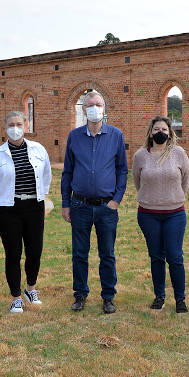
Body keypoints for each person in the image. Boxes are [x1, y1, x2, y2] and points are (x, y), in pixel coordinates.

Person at [61, 91, 128, 314]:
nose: (95, 108)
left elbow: (122, 170)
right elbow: (68, 171)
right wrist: (65, 203)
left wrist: (116, 200)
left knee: (107, 254)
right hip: (79, 205)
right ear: (83, 109)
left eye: (98, 104)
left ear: (104, 108)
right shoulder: (74, 136)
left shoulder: (116, 135)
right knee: (79, 253)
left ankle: (108, 296)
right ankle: (80, 295)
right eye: (90, 105)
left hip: (106, 206)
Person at [0, 111, 52, 314]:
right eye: (11, 124)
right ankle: (16, 297)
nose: (15, 128)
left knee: (35, 251)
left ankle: (30, 289)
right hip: (8, 210)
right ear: (5, 128)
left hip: (34, 207)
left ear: (26, 126)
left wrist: (40, 194)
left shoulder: (38, 149)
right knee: (13, 253)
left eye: (19, 124)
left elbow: (47, 174)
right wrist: (4, 197)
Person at [132, 116, 189, 313]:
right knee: (156, 256)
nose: (160, 132)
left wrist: (173, 198)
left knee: (175, 256)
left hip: (175, 214)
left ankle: (180, 299)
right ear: (150, 132)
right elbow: (138, 181)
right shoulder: (140, 156)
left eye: (164, 129)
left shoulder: (179, 153)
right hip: (148, 215)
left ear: (170, 133)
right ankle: (159, 296)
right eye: (157, 129)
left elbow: (185, 181)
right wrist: (152, 198)